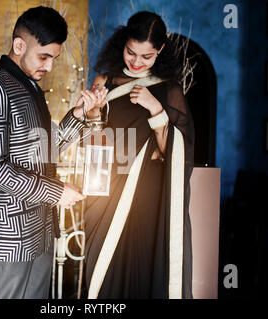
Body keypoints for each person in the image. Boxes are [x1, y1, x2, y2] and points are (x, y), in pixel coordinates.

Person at [0, 6, 107, 299]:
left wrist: (83, 113)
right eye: (44, 56)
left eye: (53, 58)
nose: (49, 66)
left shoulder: (29, 88)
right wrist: (56, 193)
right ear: (19, 45)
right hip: (10, 236)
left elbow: (47, 149)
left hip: (42, 231)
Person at [83, 11, 195, 298]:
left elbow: (172, 153)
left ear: (160, 51)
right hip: (106, 193)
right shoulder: (105, 82)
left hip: (147, 197)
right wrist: (93, 113)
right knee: (101, 271)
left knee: (141, 272)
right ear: (123, 43)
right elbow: (91, 144)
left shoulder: (168, 90)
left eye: (146, 56)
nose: (135, 61)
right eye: (131, 52)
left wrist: (155, 109)